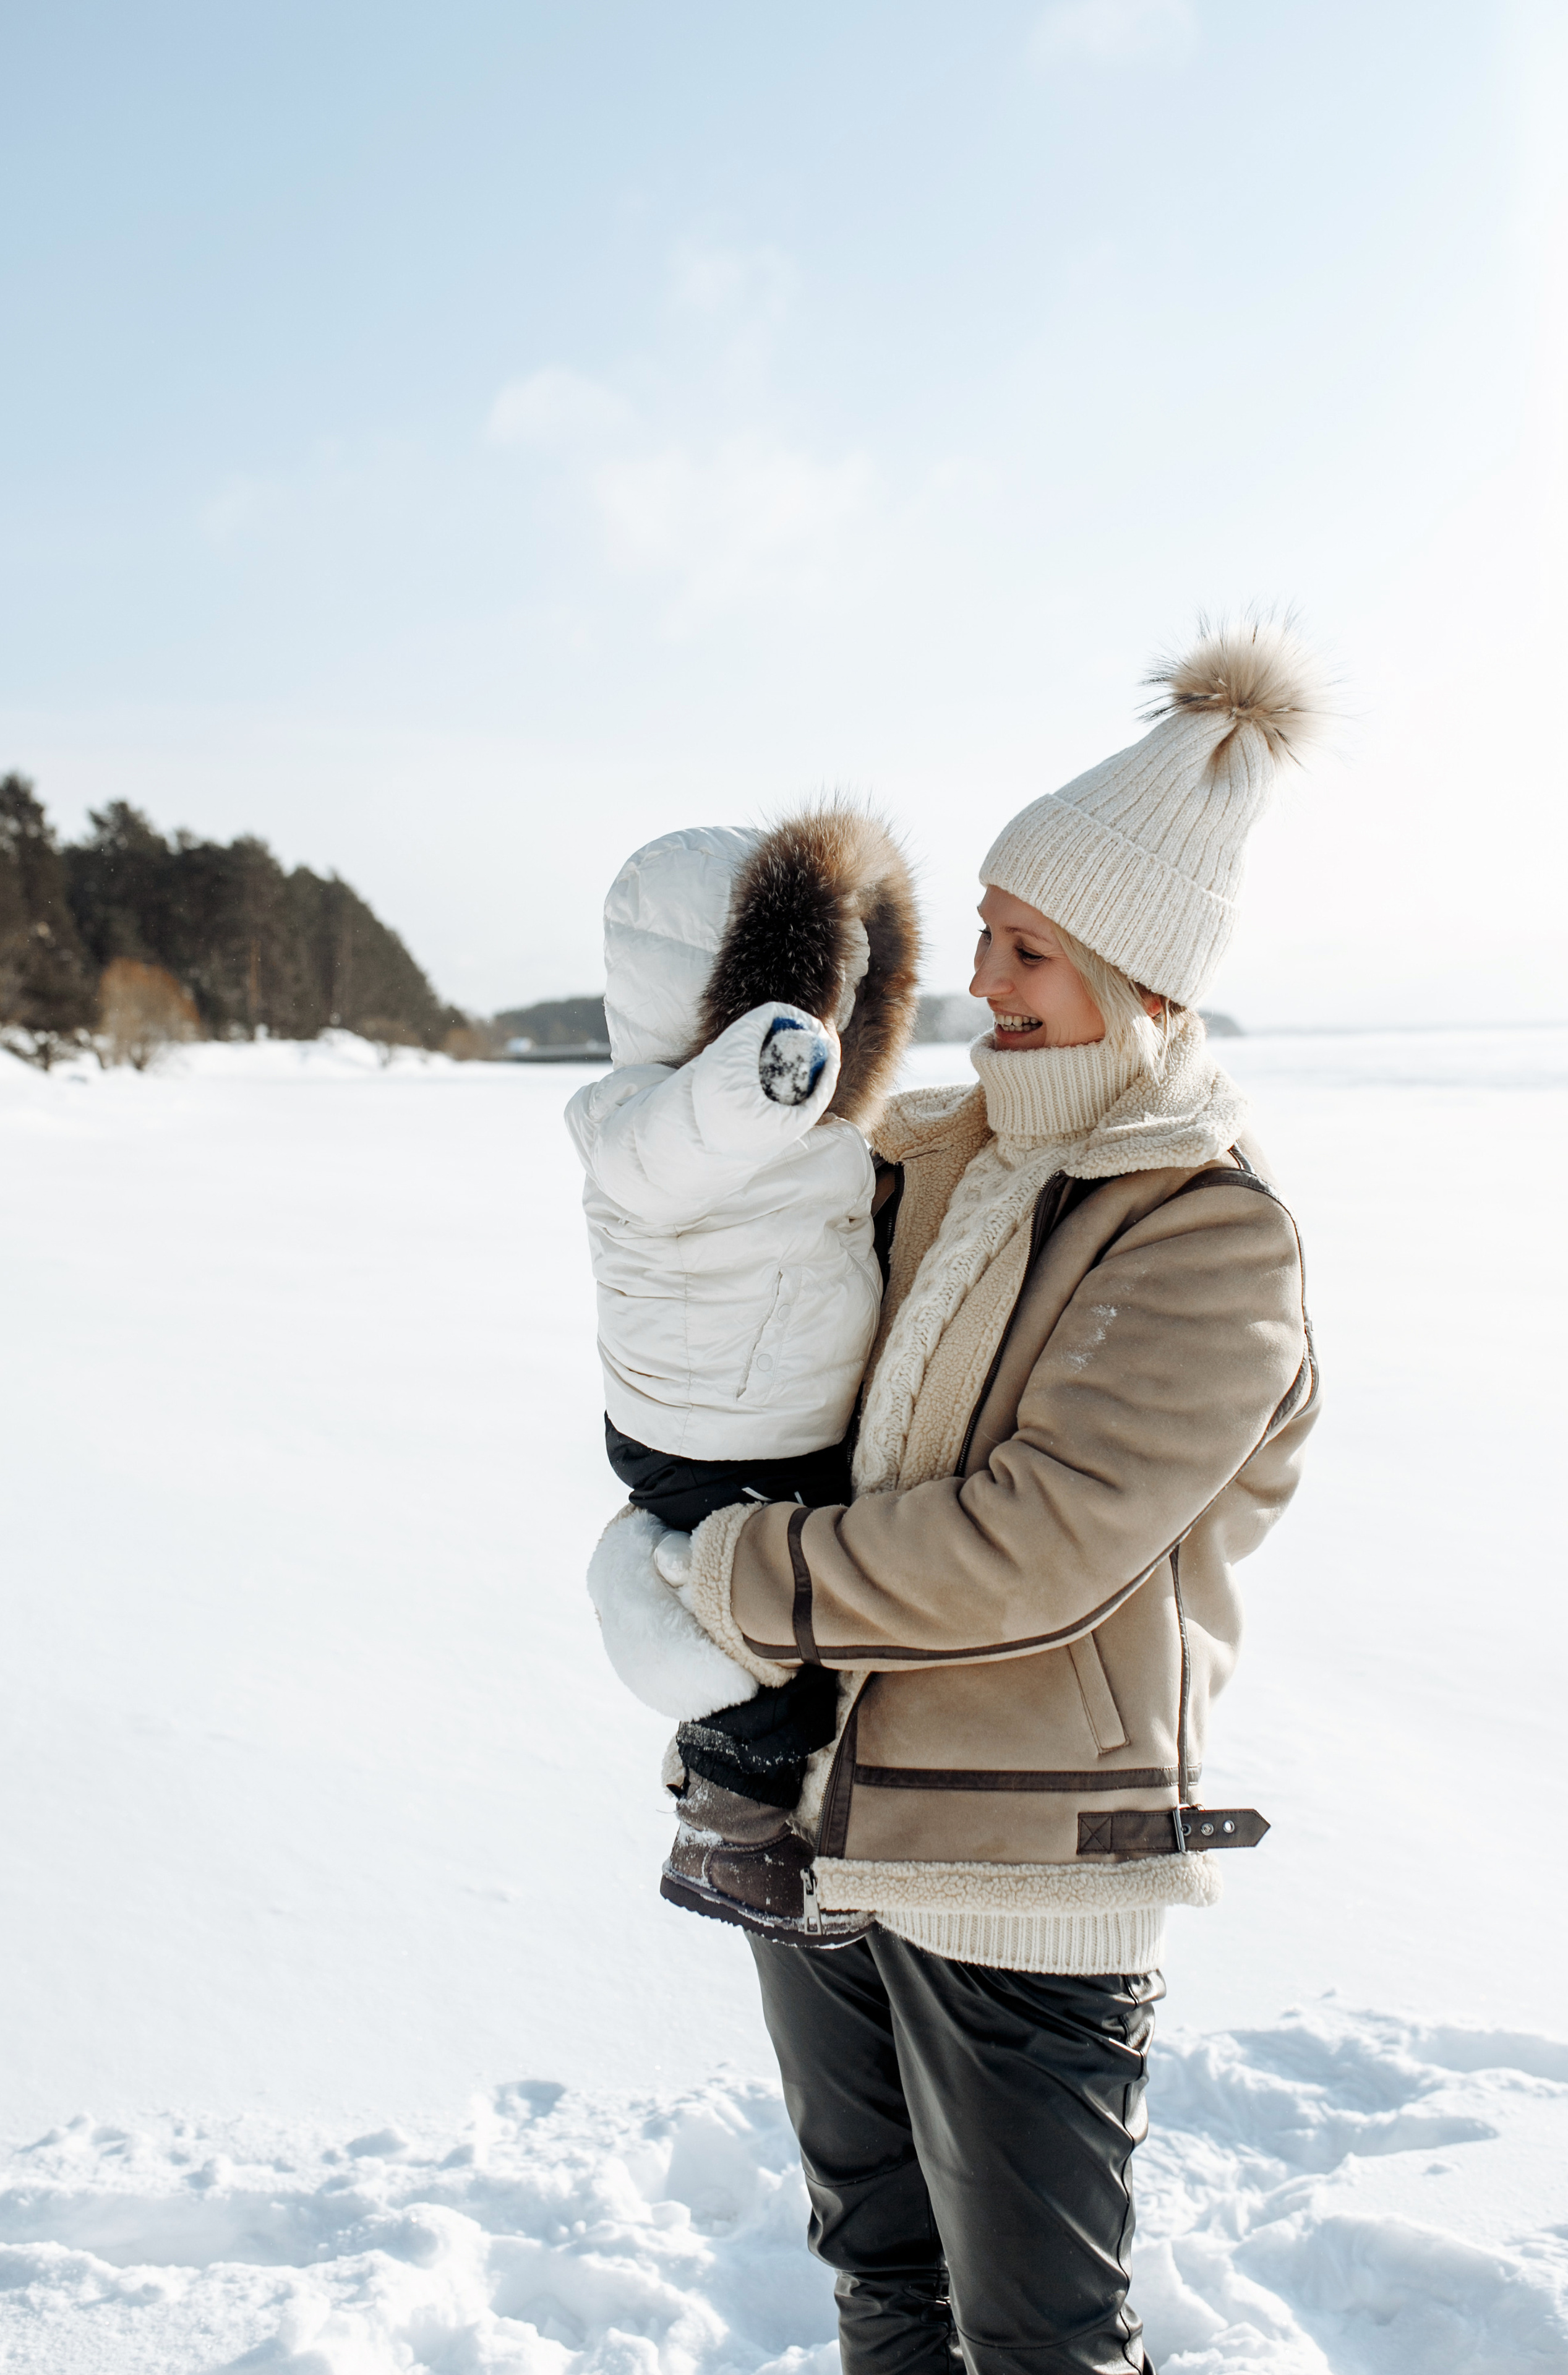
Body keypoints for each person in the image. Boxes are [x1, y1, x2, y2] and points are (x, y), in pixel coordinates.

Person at [593, 616, 1324, 2375]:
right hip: (830, 1819)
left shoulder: (1210, 1236)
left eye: (1030, 953)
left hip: (1026, 1872)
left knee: (1041, 2346)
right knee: (887, 2293)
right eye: (985, 933)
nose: (981, 978)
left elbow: (1038, 1548)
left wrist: (743, 1577)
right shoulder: (941, 1153)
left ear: (1145, 984)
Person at [570, 808, 919, 1943]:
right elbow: (700, 1135)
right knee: (775, 1659)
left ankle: (739, 1810)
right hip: (718, 1428)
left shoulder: (784, 1128)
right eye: (829, 977)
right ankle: (732, 1847)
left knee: (770, 1620)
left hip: (743, 1415)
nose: (844, 1009)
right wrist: (772, 1067)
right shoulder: (663, 1121)